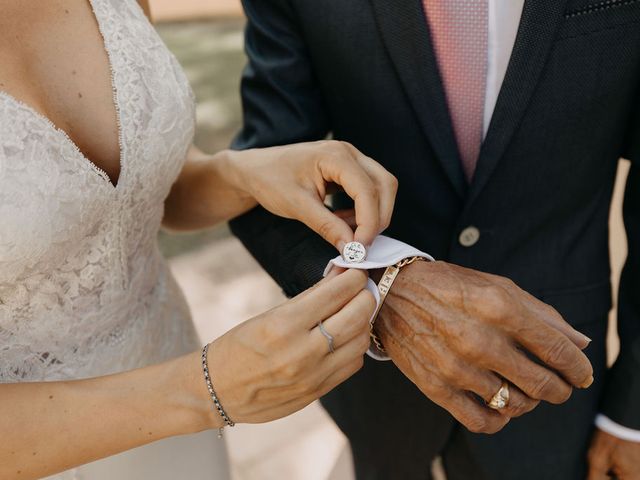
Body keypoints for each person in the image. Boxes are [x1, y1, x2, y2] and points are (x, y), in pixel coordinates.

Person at [230, 0, 640, 478]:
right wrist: (382, 285)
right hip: (377, 383)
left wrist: (633, 413)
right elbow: (261, 176)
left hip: (553, 376)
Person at [0, 1, 401, 479]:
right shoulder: (198, 392)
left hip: (175, 379)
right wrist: (199, 390)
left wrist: (239, 173)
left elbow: (132, 192)